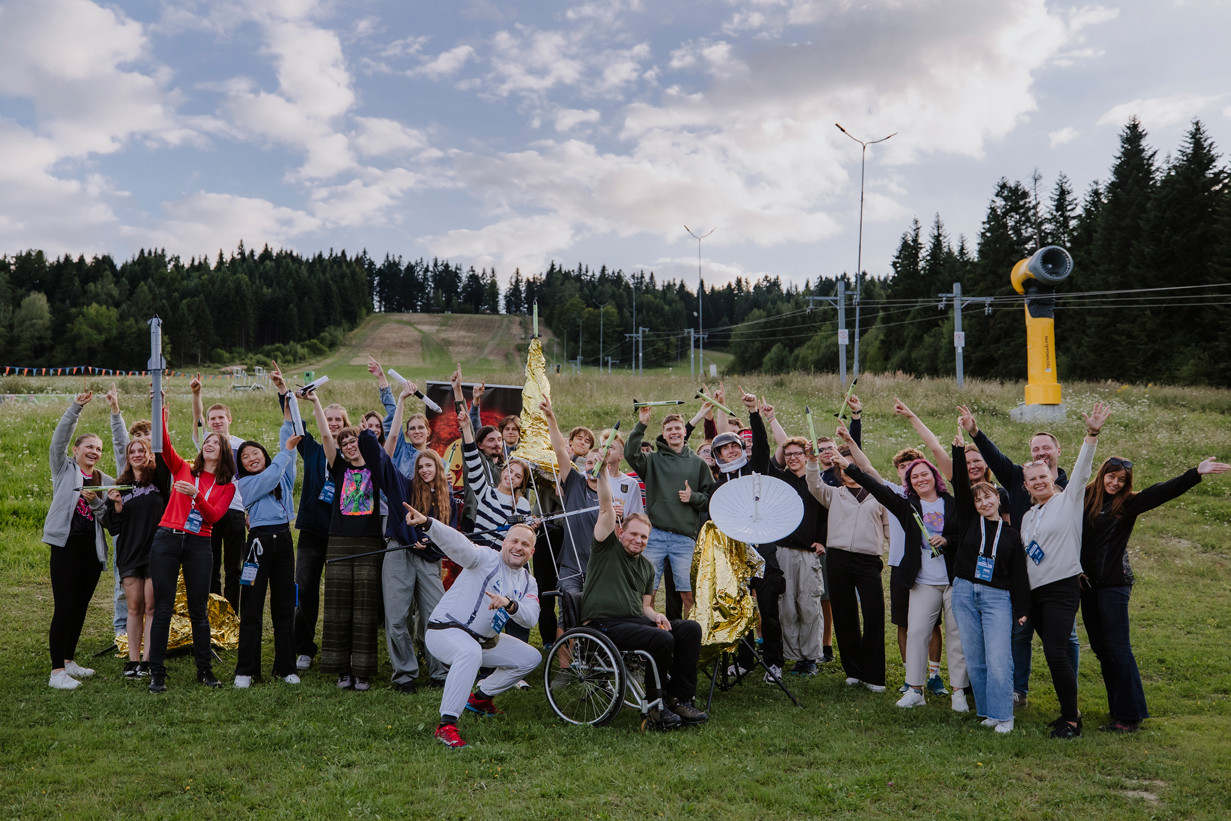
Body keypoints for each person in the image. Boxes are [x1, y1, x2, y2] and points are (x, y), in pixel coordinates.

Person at [1081, 453, 1229, 732]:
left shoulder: (1128, 503)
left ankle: (1130, 717)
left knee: (1118, 649)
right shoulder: (1085, 497)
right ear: (1102, 475)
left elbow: (1161, 491)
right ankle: (1118, 710)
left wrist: (1195, 473)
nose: (1115, 483)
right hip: (1087, 586)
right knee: (1102, 650)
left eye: (1121, 480)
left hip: (1114, 584)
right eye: (1111, 477)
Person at [961, 404, 1081, 710]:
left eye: (1046, 447)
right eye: (1035, 448)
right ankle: (1018, 691)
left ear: (1057, 450)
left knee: (1065, 639)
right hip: (1021, 574)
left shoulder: (1070, 490)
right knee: (1020, 632)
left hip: (1058, 578)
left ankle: (1070, 693)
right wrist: (975, 432)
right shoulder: (1018, 478)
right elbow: (996, 458)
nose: (1041, 452)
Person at [837, 437, 969, 713]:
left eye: (924, 474)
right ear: (909, 483)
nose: (920, 479)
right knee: (917, 632)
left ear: (934, 477)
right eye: (914, 477)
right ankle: (915, 690)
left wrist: (947, 541)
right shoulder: (907, 506)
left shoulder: (953, 503)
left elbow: (962, 535)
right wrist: (849, 467)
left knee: (956, 636)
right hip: (922, 582)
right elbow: (876, 486)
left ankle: (958, 692)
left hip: (954, 580)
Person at [403, 503, 541, 750]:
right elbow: (458, 543)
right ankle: (446, 726)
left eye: (525, 544)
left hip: (485, 642)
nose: (518, 547)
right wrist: (428, 523)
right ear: (504, 543)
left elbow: (531, 618)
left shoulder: (529, 581)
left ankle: (480, 699)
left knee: (531, 658)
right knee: (469, 652)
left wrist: (510, 604)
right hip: (445, 631)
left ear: (532, 551)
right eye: (514, 541)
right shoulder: (486, 557)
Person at [580, 469, 708, 728]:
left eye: (644, 537)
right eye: (634, 534)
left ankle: (679, 699)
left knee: (689, 629)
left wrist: (656, 615)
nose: (638, 540)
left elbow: (645, 606)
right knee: (661, 638)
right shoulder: (606, 548)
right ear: (620, 533)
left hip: (635, 622)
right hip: (603, 624)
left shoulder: (647, 567)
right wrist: (603, 473)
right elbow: (605, 508)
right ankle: (655, 706)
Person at [1017, 401, 1110, 738]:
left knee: (1057, 651)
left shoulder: (1067, 502)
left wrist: (1091, 435)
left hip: (1061, 588)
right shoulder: (1027, 517)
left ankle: (1071, 720)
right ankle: (1069, 713)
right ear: (1026, 486)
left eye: (1043, 476)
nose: (1039, 482)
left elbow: (1084, 470)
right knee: (1054, 654)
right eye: (1032, 479)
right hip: (1036, 593)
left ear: (1052, 477)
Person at [358, 402, 454, 693]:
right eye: (420, 466)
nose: (424, 470)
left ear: (438, 468)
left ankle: (439, 670)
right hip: (399, 552)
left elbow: (450, 536)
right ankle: (405, 674)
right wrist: (368, 438)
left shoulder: (447, 501)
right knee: (397, 617)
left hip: (429, 560)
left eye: (429, 465)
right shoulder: (403, 487)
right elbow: (382, 465)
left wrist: (430, 543)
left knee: (434, 616)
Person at [147, 407, 237, 692]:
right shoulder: (184, 468)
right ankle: (157, 672)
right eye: (206, 441)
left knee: (199, 610)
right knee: (163, 608)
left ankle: (205, 671)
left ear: (223, 452)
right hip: (167, 539)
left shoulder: (226, 487)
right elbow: (164, 447)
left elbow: (213, 517)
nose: (209, 444)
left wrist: (196, 495)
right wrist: (161, 412)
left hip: (199, 543)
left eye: (215, 442)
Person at [270, 362, 348, 673]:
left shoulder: (354, 453)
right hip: (313, 529)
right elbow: (293, 425)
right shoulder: (313, 449)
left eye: (338, 420)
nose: (334, 423)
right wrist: (283, 393)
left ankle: (338, 648)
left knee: (339, 593)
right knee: (304, 589)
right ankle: (303, 647)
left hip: (342, 531)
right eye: (329, 419)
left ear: (345, 424)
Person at [950, 443, 1031, 733]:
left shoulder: (1011, 536)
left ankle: (1004, 716)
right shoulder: (970, 522)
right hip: (964, 592)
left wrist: (1022, 608)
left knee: (998, 658)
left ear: (998, 498)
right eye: (978, 500)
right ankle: (988, 712)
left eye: (988, 497)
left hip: (997, 597)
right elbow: (960, 485)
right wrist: (957, 452)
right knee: (975, 657)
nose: (983, 503)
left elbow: (1019, 576)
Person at [307, 388, 383, 691]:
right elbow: (326, 436)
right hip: (338, 540)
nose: (349, 446)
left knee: (364, 608)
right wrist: (315, 401)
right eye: (345, 443)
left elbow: (389, 439)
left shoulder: (376, 467)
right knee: (337, 606)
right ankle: (341, 669)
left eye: (354, 441)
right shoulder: (338, 466)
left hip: (369, 542)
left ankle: (362, 671)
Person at [804, 434, 892, 692]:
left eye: (853, 465)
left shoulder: (878, 495)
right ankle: (853, 670)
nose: (849, 470)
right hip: (838, 558)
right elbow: (814, 485)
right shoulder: (834, 494)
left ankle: (874, 675)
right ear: (839, 471)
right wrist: (812, 461)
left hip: (868, 560)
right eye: (843, 467)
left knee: (874, 613)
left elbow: (889, 529)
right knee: (845, 613)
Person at [43, 391, 113, 690]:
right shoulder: (63, 468)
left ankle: (69, 660)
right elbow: (57, 441)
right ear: (76, 450)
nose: (94, 451)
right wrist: (75, 409)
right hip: (65, 547)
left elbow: (107, 518)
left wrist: (99, 502)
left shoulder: (104, 481)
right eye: (89, 447)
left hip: (91, 551)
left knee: (81, 605)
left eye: (98, 448)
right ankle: (57, 672)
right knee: (64, 606)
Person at [625, 407, 715, 618]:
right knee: (647, 593)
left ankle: (689, 635)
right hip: (654, 535)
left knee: (689, 595)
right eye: (669, 429)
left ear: (684, 431)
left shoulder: (698, 464)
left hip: (684, 538)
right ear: (663, 434)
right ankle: (649, 633)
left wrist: (693, 497)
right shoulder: (652, 460)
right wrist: (642, 424)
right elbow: (630, 453)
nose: (674, 432)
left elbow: (710, 501)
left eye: (677, 428)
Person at [232, 430, 302, 688]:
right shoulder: (244, 484)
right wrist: (285, 451)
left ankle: (286, 667)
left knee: (285, 605)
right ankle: (246, 670)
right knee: (251, 605)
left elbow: (288, 453)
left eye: (256, 453)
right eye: (246, 457)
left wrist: (288, 418)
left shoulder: (281, 473)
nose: (252, 458)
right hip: (257, 543)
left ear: (265, 455)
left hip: (283, 540)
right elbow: (271, 475)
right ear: (241, 465)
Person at [102, 433, 170, 678]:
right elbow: (113, 527)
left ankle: (148, 660)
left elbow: (166, 454)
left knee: (151, 607)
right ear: (127, 457)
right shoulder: (120, 487)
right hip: (130, 553)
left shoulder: (159, 480)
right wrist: (117, 506)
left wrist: (162, 419)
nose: (137, 455)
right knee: (134, 607)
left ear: (149, 455)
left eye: (142, 450)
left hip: (156, 552)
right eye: (133, 452)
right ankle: (133, 661)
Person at [190, 377, 247, 612]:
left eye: (220, 417)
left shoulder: (242, 446)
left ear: (229, 420)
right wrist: (196, 395)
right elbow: (197, 418)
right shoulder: (207, 443)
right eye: (212, 418)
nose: (216, 421)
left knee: (234, 567)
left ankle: (232, 614)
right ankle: (213, 614)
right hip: (210, 511)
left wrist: (249, 510)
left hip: (235, 510)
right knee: (211, 565)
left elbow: (249, 482)